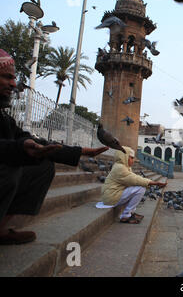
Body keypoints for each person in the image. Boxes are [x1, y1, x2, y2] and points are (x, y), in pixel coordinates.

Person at [0, 49, 109, 245]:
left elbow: (25, 138)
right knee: (12, 162)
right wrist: (21, 149)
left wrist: (81, 151)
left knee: (43, 166)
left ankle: (1, 227)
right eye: (6, 77)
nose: (13, 84)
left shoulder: (3, 117)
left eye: (13, 78)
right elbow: (13, 146)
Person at [96, 146, 167, 224]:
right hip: (111, 197)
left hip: (114, 194)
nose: (133, 160)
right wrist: (154, 183)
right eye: (131, 158)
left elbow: (134, 179)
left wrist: (152, 183)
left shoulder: (124, 167)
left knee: (135, 186)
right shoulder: (120, 168)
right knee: (140, 188)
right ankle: (126, 216)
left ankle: (131, 213)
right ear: (124, 157)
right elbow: (135, 179)